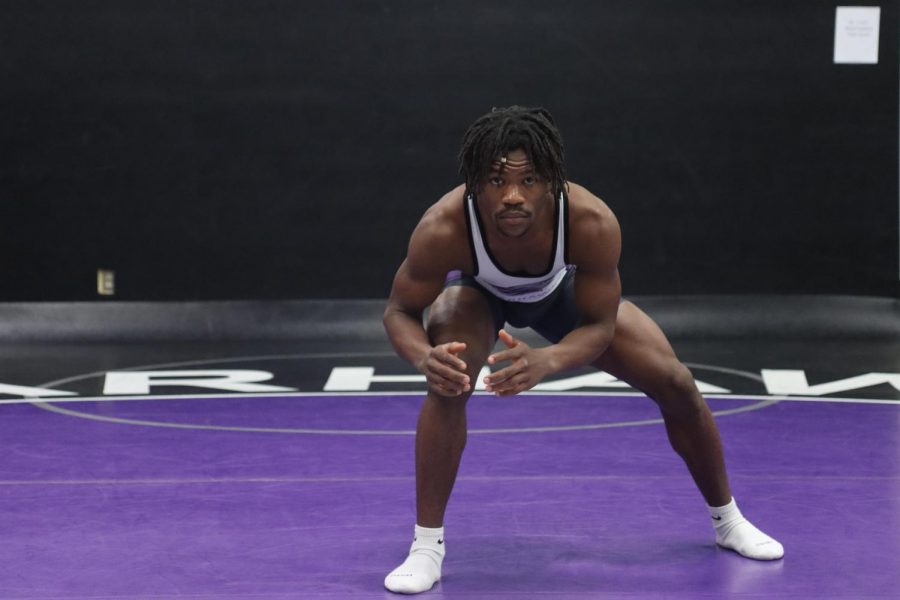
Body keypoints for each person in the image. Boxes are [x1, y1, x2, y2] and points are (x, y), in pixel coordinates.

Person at [382, 106, 783, 594]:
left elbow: (600, 325)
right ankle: (426, 548)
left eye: (529, 180)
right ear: (473, 184)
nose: (512, 196)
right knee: (449, 377)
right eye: (495, 181)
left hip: (558, 293)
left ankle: (729, 521)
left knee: (676, 382)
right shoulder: (444, 227)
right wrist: (424, 358)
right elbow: (400, 312)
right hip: (476, 295)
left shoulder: (590, 221)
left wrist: (548, 359)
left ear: (552, 180)